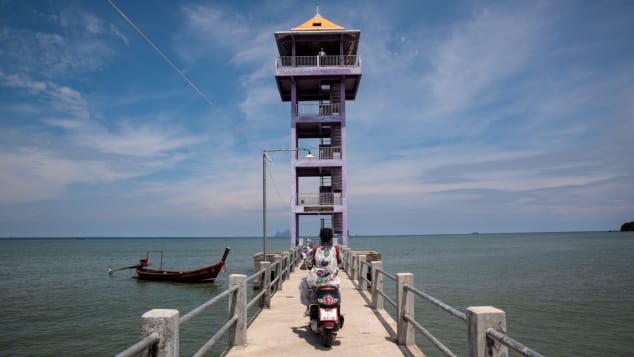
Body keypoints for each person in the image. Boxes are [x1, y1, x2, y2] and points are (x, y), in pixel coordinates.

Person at [299, 228, 342, 314]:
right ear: (331, 238)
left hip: (315, 281)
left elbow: (308, 262)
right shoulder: (336, 249)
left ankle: (308, 306)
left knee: (302, 285)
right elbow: (340, 261)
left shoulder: (315, 250)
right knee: (338, 288)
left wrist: (308, 266)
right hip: (332, 280)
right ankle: (336, 304)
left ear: (320, 238)